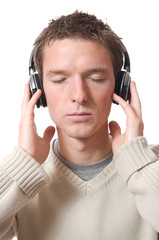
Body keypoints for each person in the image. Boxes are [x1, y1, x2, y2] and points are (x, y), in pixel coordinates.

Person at [0, 10, 159, 240]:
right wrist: (23, 163)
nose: (79, 96)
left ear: (119, 87)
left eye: (95, 78)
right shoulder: (22, 178)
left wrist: (139, 166)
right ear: (39, 90)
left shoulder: (150, 170)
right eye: (59, 79)